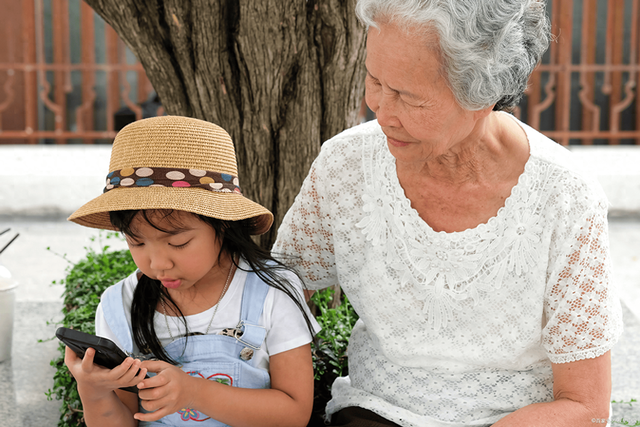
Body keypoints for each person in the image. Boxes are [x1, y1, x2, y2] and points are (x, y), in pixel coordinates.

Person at [273, 0, 623, 426]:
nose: (381, 111)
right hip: (376, 414)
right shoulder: (345, 165)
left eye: (408, 97)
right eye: (374, 80)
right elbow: (278, 297)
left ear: (481, 91)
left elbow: (585, 405)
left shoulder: (565, 196)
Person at [64, 116, 319, 427]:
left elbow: (294, 414)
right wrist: (92, 389)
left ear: (223, 223)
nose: (157, 264)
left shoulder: (271, 292)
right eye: (137, 241)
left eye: (179, 242)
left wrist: (194, 392)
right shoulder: (121, 305)